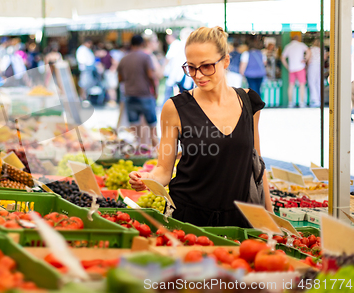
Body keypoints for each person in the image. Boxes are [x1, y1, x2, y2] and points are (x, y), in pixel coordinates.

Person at [128, 26, 271, 227]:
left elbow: (257, 163)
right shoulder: (175, 108)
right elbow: (163, 170)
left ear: (226, 61)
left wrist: (271, 217)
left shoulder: (249, 102)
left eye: (206, 66)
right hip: (189, 218)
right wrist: (147, 179)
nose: (198, 75)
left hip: (239, 218)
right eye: (191, 67)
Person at [117, 34, 158, 148]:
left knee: (135, 128)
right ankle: (155, 151)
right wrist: (155, 91)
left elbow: (120, 79)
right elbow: (151, 75)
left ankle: (138, 150)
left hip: (130, 95)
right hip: (145, 94)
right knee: (152, 127)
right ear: (142, 44)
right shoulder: (145, 57)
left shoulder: (124, 58)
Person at [281, 35, 311, 108]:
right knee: (302, 85)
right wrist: (305, 59)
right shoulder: (301, 45)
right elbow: (309, 52)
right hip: (300, 67)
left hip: (292, 68)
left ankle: (290, 103)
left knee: (291, 86)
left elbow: (282, 57)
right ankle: (301, 103)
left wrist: (287, 66)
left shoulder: (288, 46)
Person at [307, 39, 322, 108]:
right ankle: (319, 98)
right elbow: (324, 58)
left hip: (312, 65)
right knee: (318, 82)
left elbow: (309, 58)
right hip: (319, 65)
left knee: (312, 82)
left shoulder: (311, 49)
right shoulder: (321, 49)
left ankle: (315, 100)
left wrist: (306, 66)